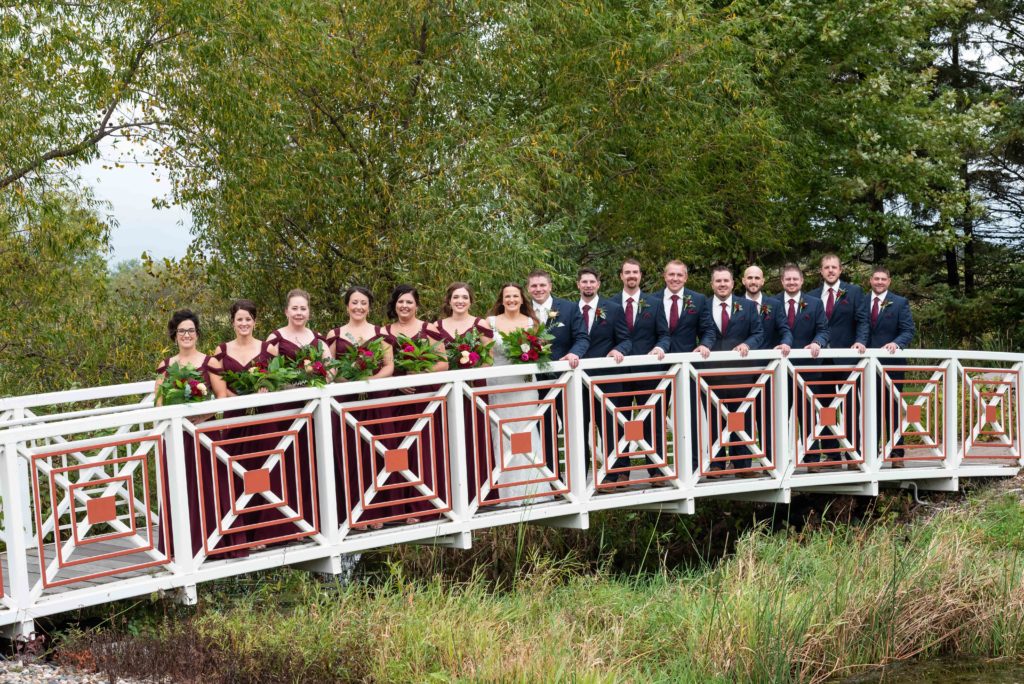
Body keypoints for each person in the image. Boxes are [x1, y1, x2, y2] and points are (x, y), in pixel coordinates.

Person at [260, 289, 330, 542]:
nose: (299, 313)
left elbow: (329, 372)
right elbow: (266, 373)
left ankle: (308, 522)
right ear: (286, 311)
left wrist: (316, 376)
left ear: (308, 312)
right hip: (284, 409)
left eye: (303, 309)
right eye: (295, 308)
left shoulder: (318, 340)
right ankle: (282, 524)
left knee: (306, 461)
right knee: (283, 462)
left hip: (310, 407)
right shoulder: (275, 339)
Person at [204, 300, 271, 557]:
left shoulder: (267, 349)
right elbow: (220, 390)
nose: (244, 324)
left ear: (255, 322)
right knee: (234, 474)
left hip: (263, 419)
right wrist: (239, 398)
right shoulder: (221, 352)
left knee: (263, 471)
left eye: (248, 319)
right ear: (232, 322)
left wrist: (265, 386)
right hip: (235, 419)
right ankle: (239, 532)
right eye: (239, 319)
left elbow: (275, 378)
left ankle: (262, 531)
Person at [326, 286, 395, 528]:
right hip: (346, 402)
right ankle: (353, 512)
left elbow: (389, 365)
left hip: (375, 399)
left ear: (369, 306)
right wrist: (345, 380)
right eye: (354, 302)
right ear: (347, 306)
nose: (358, 307)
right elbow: (329, 368)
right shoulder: (335, 334)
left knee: (377, 452)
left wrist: (370, 381)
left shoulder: (380, 332)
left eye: (363, 303)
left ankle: (377, 511)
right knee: (349, 453)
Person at [382, 285, 447, 523]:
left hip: (424, 398)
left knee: (423, 448)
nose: (404, 306)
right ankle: (400, 507)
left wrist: (419, 372)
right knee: (397, 449)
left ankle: (422, 504)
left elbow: (443, 363)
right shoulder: (385, 331)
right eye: (400, 302)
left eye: (409, 302)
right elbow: (385, 365)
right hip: (397, 397)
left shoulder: (428, 329)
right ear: (394, 305)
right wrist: (400, 380)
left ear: (416, 305)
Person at [485, 283, 555, 503]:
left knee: (525, 429)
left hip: (524, 385)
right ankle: (506, 491)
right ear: (501, 299)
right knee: (501, 433)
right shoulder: (490, 323)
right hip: (498, 383)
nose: (512, 300)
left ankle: (532, 489)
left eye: (515, 296)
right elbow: (486, 356)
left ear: (522, 299)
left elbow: (541, 351)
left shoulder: (531, 323)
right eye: (507, 296)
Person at [155, 309, 212, 557]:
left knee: (204, 486)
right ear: (174, 335)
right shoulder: (166, 365)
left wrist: (200, 417)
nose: (186, 335)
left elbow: (220, 398)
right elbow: (158, 403)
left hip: (202, 435)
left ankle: (206, 542)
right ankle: (176, 545)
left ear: (197, 334)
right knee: (177, 487)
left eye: (190, 330)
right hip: (175, 436)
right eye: (181, 331)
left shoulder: (210, 362)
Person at [432, 282, 493, 504]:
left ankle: (479, 492)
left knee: (474, 435)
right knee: (447, 437)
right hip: (447, 390)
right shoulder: (436, 326)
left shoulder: (480, 324)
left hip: (474, 388)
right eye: (456, 297)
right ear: (449, 301)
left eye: (464, 297)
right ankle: (450, 494)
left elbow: (489, 358)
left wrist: (472, 374)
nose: (460, 301)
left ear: (471, 300)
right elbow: (435, 360)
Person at [526, 269, 589, 478]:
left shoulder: (569, 308)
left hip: (566, 379)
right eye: (534, 286)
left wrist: (574, 353)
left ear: (550, 286)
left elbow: (582, 338)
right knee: (545, 431)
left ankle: (579, 476)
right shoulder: (523, 312)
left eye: (542, 285)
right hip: (535, 383)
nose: (538, 289)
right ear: (528, 289)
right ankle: (553, 478)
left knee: (575, 428)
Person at [613, 258, 670, 483]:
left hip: (648, 372)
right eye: (627, 272)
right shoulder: (609, 304)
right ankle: (619, 472)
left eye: (635, 272)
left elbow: (665, 335)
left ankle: (656, 470)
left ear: (640, 276)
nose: (631, 276)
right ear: (621, 276)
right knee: (618, 421)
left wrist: (659, 347)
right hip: (619, 372)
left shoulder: (654, 303)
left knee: (653, 421)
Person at [573, 268, 630, 484]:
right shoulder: (570, 310)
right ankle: (581, 476)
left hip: (607, 378)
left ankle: (612, 474)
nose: (588, 285)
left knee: (609, 425)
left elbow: (625, 340)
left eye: (592, 282)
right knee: (579, 426)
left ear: (598, 284)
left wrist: (619, 350)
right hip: (577, 380)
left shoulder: (613, 309)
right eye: (584, 281)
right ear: (578, 284)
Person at [810, 254, 869, 466]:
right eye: (826, 267)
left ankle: (854, 454)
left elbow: (862, 321)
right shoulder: (812, 296)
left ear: (840, 270)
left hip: (847, 359)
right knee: (824, 408)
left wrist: (860, 342)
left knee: (851, 409)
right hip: (821, 361)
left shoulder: (853, 292)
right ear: (821, 271)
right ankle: (832, 455)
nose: (831, 270)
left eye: (834, 267)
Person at [705, 266, 763, 474]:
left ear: (733, 283)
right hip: (711, 374)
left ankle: (742, 464)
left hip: (741, 372)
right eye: (718, 281)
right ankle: (717, 463)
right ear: (712, 284)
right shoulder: (704, 305)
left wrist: (747, 344)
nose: (722, 284)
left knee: (742, 417)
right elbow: (702, 332)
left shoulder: (746, 306)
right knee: (715, 419)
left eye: (726, 281)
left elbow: (758, 333)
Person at [774, 265, 830, 465]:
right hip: (779, 369)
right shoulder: (772, 303)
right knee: (779, 415)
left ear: (802, 281)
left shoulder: (814, 304)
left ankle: (812, 458)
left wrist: (817, 342)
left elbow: (823, 330)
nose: (791, 283)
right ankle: (779, 460)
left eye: (795, 279)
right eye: (787, 279)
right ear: (782, 281)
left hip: (808, 368)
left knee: (807, 414)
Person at [863, 266, 915, 467]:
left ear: (889, 281)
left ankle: (896, 455)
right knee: (870, 409)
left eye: (883, 279)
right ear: (870, 280)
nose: (879, 282)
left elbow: (908, 330)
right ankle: (872, 455)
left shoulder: (900, 302)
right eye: (876, 278)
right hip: (867, 366)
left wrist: (897, 343)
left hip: (892, 364)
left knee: (893, 409)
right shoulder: (862, 302)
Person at [742, 265, 791, 350]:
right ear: (743, 281)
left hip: (769, 360)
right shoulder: (735, 305)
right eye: (750, 278)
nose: (753, 281)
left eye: (757, 278)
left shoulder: (775, 305)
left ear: (762, 281)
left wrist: (785, 343)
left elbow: (785, 330)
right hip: (742, 360)